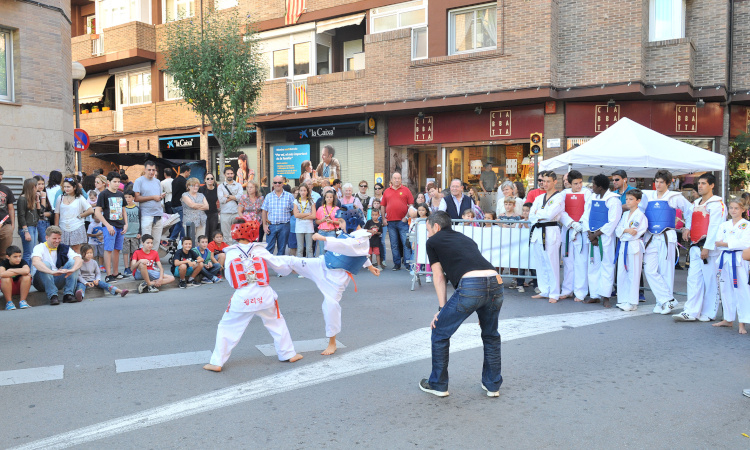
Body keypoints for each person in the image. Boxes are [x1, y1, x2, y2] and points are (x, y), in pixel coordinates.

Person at [418, 211, 503, 397]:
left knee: (439, 331)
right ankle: (492, 385)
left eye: (428, 230)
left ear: (436, 227)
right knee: (491, 335)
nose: (428, 234)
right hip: (496, 282)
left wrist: (441, 310)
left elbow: (439, 277)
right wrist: (484, 307)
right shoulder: (465, 239)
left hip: (472, 286)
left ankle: (438, 384)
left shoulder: (432, 242)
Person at [203, 219, 303, 372]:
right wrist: (293, 268)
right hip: (264, 295)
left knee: (227, 327)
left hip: (243, 298)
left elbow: (231, 279)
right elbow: (279, 265)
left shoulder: (230, 253)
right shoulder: (260, 249)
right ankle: (288, 354)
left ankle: (217, 362)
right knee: (277, 322)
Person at [275, 224, 381, 355]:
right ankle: (263, 260)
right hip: (322, 265)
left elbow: (350, 247)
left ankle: (332, 342)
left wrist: (323, 238)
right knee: (292, 261)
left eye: (342, 222)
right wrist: (370, 267)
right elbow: (359, 254)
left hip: (336, 279)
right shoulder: (353, 234)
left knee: (330, 307)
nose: (340, 224)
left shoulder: (362, 238)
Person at [639, 169, 692, 314]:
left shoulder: (675, 197)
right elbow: (640, 212)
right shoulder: (648, 196)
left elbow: (689, 210)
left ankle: (662, 303)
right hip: (650, 236)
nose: (658, 184)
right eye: (656, 181)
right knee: (649, 270)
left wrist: (688, 227)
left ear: (668, 183)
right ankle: (666, 299)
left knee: (666, 271)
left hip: (666, 236)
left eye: (661, 182)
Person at [675, 173, 725, 322]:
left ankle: (710, 312)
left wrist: (708, 247)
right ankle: (691, 311)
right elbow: (690, 219)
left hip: (708, 248)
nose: (700, 186)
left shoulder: (717, 204)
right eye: (699, 183)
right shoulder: (695, 203)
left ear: (712, 185)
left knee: (710, 281)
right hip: (695, 245)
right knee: (693, 279)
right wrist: (687, 229)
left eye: (704, 183)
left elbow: (715, 227)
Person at [582, 174, 623, 308]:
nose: (592, 187)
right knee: (593, 265)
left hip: (605, 238)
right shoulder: (592, 197)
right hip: (592, 235)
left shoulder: (613, 200)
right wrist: (589, 233)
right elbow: (585, 216)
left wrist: (597, 235)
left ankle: (606, 296)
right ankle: (594, 295)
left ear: (600, 187)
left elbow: (613, 221)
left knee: (607, 266)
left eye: (593, 185)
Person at [712, 197, 750, 333]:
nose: (733, 211)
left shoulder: (746, 225)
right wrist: (727, 243)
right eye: (731, 208)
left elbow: (745, 243)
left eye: (736, 208)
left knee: (741, 290)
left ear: (743, 210)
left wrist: (726, 243)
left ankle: (742, 322)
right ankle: (728, 319)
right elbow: (717, 242)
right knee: (726, 289)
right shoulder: (724, 225)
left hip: (739, 260)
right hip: (725, 259)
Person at [528, 171, 564, 303]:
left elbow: (550, 215)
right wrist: (540, 213)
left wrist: (539, 213)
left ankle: (554, 293)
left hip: (551, 230)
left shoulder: (559, 197)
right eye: (544, 181)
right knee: (541, 262)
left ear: (555, 182)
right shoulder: (538, 198)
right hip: (538, 231)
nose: (546, 184)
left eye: (549, 181)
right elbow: (531, 215)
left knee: (552, 262)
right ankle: (544, 290)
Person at [559, 170, 592, 302]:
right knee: (568, 262)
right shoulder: (563, 194)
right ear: (569, 183)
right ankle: (567, 290)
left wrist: (579, 224)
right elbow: (560, 211)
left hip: (581, 230)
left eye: (580, 183)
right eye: (575, 183)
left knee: (581, 262)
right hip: (568, 230)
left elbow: (588, 210)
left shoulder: (587, 193)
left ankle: (580, 291)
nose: (578, 186)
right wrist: (571, 223)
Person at [31, 226, 83, 305]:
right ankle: (53, 296)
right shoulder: (39, 247)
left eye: (59, 238)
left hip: (57, 278)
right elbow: (36, 262)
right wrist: (51, 272)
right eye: (54, 238)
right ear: (47, 238)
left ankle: (68, 294)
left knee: (73, 262)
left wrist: (72, 269)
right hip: (41, 281)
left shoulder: (64, 247)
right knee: (45, 264)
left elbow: (79, 259)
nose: (57, 241)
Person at [615, 189, 647, 311]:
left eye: (631, 199)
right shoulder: (624, 214)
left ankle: (633, 302)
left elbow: (634, 232)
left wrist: (625, 230)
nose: (628, 201)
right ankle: (623, 299)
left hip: (634, 246)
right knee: (622, 273)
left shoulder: (640, 215)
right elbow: (617, 230)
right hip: (623, 245)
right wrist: (625, 230)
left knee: (633, 274)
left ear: (638, 201)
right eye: (627, 199)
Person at [96, 171, 128, 283]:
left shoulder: (120, 194)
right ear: (108, 182)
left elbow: (123, 210)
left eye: (118, 182)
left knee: (117, 249)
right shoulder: (103, 194)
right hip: (109, 225)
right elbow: (97, 212)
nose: (117, 184)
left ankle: (116, 272)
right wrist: (107, 225)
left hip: (120, 225)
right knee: (108, 249)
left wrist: (126, 224)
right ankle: (109, 274)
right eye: (114, 181)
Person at [382, 172, 414, 270]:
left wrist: (406, 216)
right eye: (395, 178)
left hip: (403, 222)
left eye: (399, 178)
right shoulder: (386, 191)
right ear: (391, 180)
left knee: (405, 244)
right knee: (394, 244)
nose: (397, 180)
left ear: (401, 180)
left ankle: (408, 264)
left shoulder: (406, 190)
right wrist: (383, 218)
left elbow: (411, 205)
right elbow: (383, 205)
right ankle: (397, 264)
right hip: (390, 222)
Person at [55, 175, 94, 254]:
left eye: (68, 187)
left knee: (76, 250)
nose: (66, 189)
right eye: (65, 187)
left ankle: (77, 266)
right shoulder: (60, 197)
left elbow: (90, 210)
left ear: (74, 187)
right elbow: (57, 213)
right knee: (63, 250)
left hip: (76, 226)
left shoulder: (79, 198)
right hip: (63, 227)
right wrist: (56, 228)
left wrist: (80, 216)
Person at [133, 161, 166, 248]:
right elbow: (136, 198)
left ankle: (153, 260)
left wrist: (160, 196)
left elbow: (157, 196)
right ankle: (144, 260)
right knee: (145, 240)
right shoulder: (139, 181)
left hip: (158, 213)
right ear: (145, 170)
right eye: (149, 170)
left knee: (156, 240)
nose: (151, 172)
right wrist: (153, 197)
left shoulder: (158, 181)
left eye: (153, 170)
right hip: (146, 214)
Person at [261, 176, 295, 257]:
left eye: (279, 182)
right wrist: (264, 225)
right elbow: (264, 211)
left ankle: (279, 268)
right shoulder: (269, 196)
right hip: (271, 226)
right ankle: (267, 267)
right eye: (275, 182)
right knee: (269, 249)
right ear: (272, 184)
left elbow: (293, 210)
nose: (277, 184)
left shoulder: (289, 196)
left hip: (284, 226)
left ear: (283, 183)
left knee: (282, 249)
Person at [17, 179, 41, 265]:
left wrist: (37, 199)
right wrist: (26, 231)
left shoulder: (33, 198)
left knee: (32, 253)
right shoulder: (22, 199)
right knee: (28, 253)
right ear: (33, 187)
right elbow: (21, 216)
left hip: (34, 226)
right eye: (37, 185)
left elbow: (40, 213)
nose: (38, 187)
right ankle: (25, 273)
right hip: (27, 228)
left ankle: (30, 274)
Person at [1, 245, 32, 310]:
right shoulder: (3, 263)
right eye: (15, 257)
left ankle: (22, 301)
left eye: (19, 256)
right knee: (5, 278)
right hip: (8, 287)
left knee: (26, 277)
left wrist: (11, 270)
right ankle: (9, 303)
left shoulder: (22, 262)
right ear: (8, 257)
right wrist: (20, 271)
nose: (18, 259)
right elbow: (2, 274)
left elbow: (26, 271)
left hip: (21, 287)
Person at [218, 167, 243, 245]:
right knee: (225, 236)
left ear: (234, 174)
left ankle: (236, 253)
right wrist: (234, 197)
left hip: (236, 213)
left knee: (236, 235)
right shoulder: (220, 186)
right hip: (225, 214)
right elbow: (221, 200)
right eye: (228, 173)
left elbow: (240, 197)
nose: (230, 175)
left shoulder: (238, 185)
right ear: (224, 174)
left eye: (231, 173)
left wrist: (227, 196)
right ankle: (227, 253)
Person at [315, 190, 340, 255]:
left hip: (331, 232)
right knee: (322, 252)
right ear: (325, 198)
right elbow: (316, 221)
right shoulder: (320, 208)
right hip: (322, 232)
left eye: (331, 197)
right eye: (327, 197)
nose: (329, 199)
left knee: (331, 252)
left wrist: (332, 221)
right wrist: (322, 220)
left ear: (333, 198)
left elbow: (340, 222)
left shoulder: (337, 209)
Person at [294, 184, 315, 258]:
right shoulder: (296, 201)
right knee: (300, 249)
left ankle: (310, 265)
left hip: (309, 227)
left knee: (309, 249)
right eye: (301, 190)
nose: (303, 192)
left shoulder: (311, 201)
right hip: (299, 227)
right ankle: (299, 266)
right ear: (299, 191)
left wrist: (302, 216)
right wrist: (307, 214)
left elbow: (314, 215)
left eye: (304, 190)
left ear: (307, 191)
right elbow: (296, 215)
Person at [122, 190, 140, 276]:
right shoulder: (123, 209)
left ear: (133, 198)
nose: (127, 199)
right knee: (125, 252)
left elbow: (140, 220)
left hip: (135, 233)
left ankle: (132, 267)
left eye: (129, 197)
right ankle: (126, 268)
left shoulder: (137, 209)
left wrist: (139, 232)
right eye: (125, 197)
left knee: (134, 252)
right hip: (125, 234)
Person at [169, 165, 190, 240]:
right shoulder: (184, 181)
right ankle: (183, 239)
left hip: (173, 204)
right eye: (189, 172)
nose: (189, 174)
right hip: (180, 205)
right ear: (186, 171)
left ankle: (173, 238)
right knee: (182, 223)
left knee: (179, 222)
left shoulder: (174, 180)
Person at [199, 173, 220, 241]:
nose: (210, 180)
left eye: (211, 178)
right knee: (205, 233)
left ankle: (211, 250)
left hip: (214, 213)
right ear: (205, 180)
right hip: (204, 213)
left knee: (213, 234)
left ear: (214, 180)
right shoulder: (201, 189)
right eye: (208, 178)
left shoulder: (217, 189)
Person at [34, 175, 51, 244]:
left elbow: (50, 210)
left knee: (49, 242)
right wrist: (43, 198)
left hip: (46, 222)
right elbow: (41, 211)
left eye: (43, 184)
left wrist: (49, 214)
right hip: (39, 222)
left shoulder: (44, 194)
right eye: (39, 184)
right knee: (44, 243)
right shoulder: (34, 195)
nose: (41, 186)